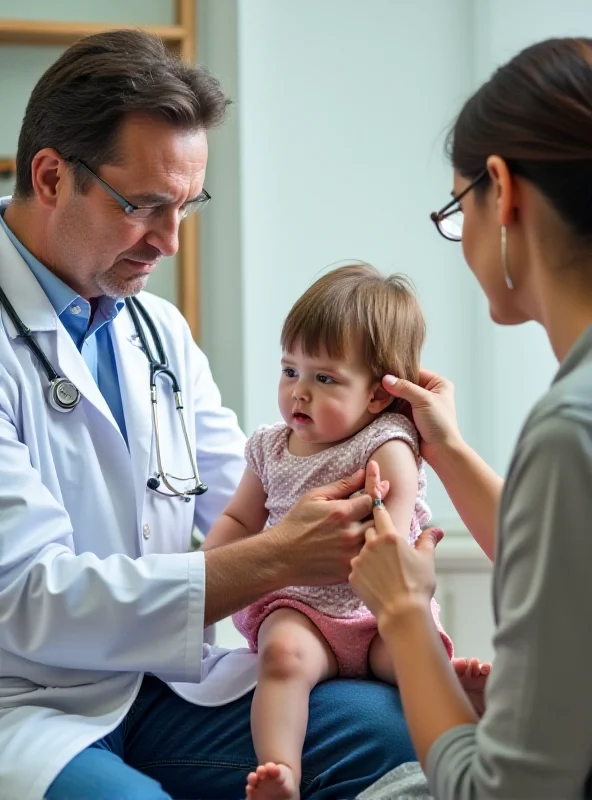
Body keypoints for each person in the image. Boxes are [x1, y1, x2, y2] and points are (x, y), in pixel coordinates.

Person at [0, 30, 417, 800]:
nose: (170, 242)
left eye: (187, 206)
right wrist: (278, 559)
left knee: (389, 733)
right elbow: (29, 598)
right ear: (52, 176)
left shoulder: (156, 332)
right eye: (147, 207)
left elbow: (257, 485)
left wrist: (383, 458)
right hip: (26, 704)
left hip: (162, 685)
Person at [349, 35, 592, 800]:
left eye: (459, 211)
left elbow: (506, 794)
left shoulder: (568, 431)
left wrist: (405, 613)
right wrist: (446, 449)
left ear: (502, 189)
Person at [203, 264, 455, 800]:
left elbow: (391, 526)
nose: (299, 393)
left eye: (324, 379)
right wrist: (206, 569)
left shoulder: (388, 441)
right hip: (302, 605)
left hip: (376, 607)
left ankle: (463, 701)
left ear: (378, 395)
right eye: (290, 370)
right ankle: (280, 772)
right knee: (282, 658)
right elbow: (241, 519)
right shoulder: (269, 448)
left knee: (407, 657)